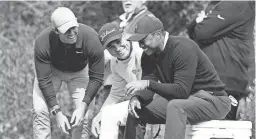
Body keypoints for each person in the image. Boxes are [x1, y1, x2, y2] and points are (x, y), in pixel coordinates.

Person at [122, 15, 231, 139]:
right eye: (138, 41)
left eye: (143, 40)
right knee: (135, 109)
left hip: (213, 99)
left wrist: (147, 84)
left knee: (176, 106)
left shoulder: (182, 48)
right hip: (187, 99)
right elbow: (149, 88)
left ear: (158, 35)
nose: (140, 45)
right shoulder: (148, 55)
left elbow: (181, 91)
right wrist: (137, 98)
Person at [32, 7, 104, 139]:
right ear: (55, 31)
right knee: (39, 110)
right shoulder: (43, 42)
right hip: (52, 72)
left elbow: (97, 77)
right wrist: (57, 112)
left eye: (73, 28)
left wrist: (82, 106)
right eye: (66, 31)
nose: (72, 33)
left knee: (85, 115)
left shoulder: (91, 38)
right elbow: (43, 80)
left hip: (80, 72)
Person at [92, 0, 155, 138]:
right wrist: (99, 116)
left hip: (157, 98)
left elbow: (155, 84)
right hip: (137, 102)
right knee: (108, 114)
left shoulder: (141, 52)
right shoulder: (115, 62)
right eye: (111, 47)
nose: (118, 49)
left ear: (125, 35)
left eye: (118, 42)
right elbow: (116, 94)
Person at [187, 1, 255, 120]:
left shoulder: (235, 4)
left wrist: (199, 21)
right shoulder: (219, 4)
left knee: (219, 131)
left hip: (223, 85)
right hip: (216, 83)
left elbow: (201, 32)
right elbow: (194, 30)